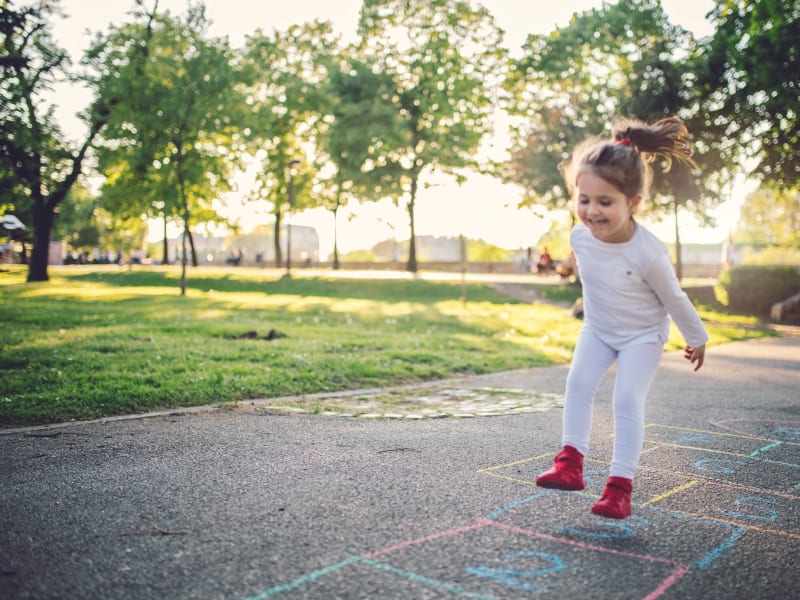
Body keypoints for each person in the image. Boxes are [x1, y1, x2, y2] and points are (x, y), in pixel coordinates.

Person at [536, 116, 708, 519]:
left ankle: (618, 488)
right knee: (577, 384)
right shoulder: (580, 237)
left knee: (626, 399)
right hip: (599, 328)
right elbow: (596, 280)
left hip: (642, 336)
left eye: (605, 202)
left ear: (633, 203)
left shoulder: (648, 251)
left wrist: (696, 336)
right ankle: (570, 466)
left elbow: (674, 297)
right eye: (584, 199)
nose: (591, 212)